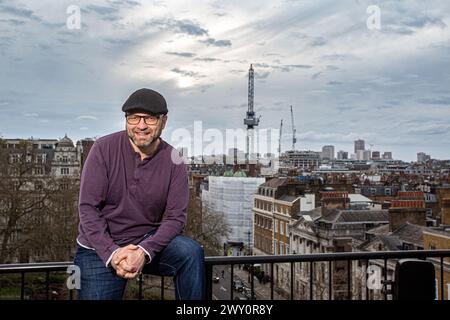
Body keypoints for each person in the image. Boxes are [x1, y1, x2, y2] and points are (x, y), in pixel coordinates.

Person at [74, 88, 205, 300]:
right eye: (134, 118)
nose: (141, 126)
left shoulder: (175, 160)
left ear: (164, 121)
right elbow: (88, 208)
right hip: (98, 247)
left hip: (147, 242)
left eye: (150, 119)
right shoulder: (102, 149)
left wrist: (143, 251)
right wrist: (113, 253)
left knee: (190, 252)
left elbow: (176, 218)